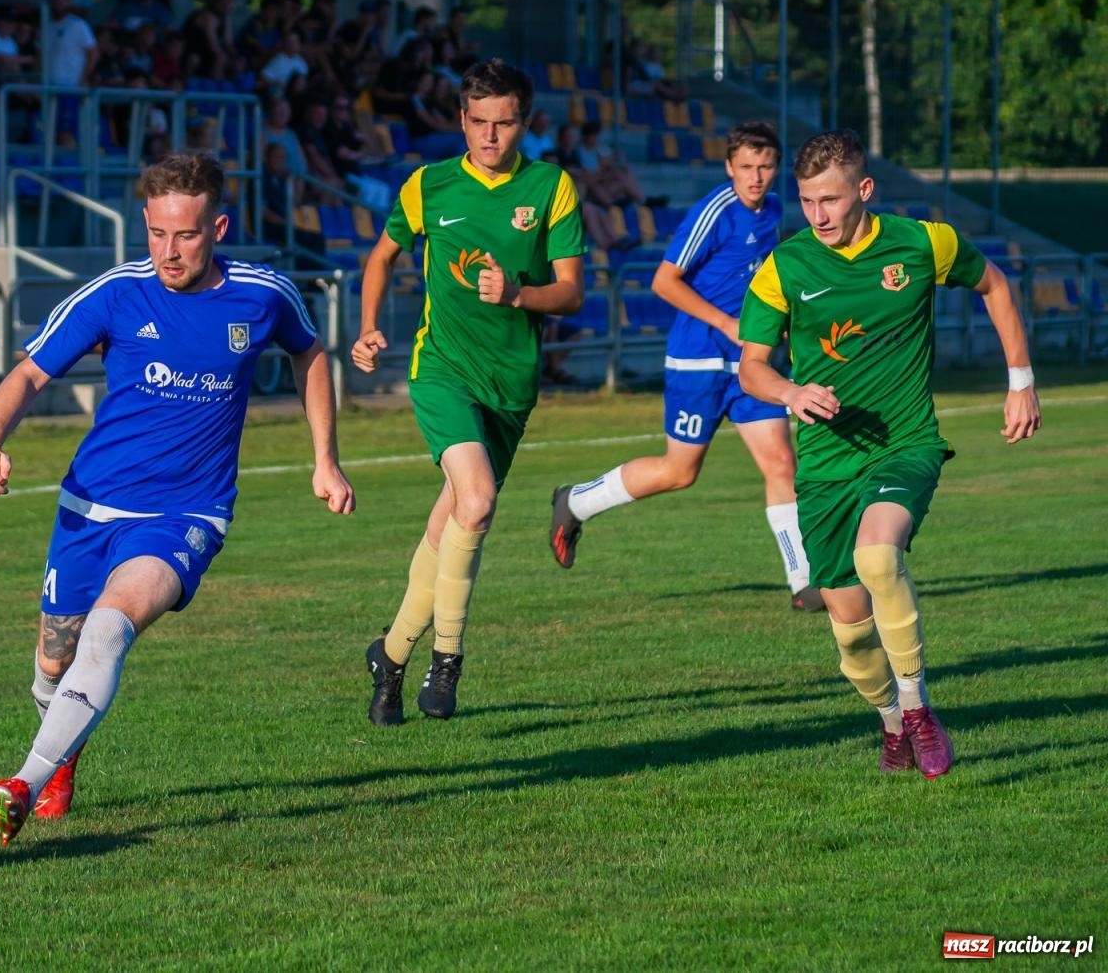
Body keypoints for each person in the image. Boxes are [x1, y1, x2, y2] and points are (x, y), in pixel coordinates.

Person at [0, 152, 355, 844]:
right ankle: (61, 753)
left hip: (188, 514)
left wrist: (324, 459)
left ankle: (22, 783)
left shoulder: (264, 294)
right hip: (90, 507)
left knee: (110, 627)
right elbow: (28, 375)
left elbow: (310, 352)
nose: (168, 251)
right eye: (156, 234)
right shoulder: (116, 293)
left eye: (185, 235)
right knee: (51, 666)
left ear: (217, 228)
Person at [737, 128, 1040, 779]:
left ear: (864, 191)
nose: (817, 215)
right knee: (849, 630)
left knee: (879, 555)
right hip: (821, 469)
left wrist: (1020, 382)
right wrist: (789, 390)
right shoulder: (785, 267)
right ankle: (890, 722)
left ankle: (919, 710)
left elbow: (994, 286)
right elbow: (752, 369)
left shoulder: (921, 243)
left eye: (831, 200)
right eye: (807, 201)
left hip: (905, 443)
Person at [352, 58, 586, 725]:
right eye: (479, 122)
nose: (490, 136)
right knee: (477, 502)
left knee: (450, 522)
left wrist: (518, 294)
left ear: (524, 122)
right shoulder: (429, 185)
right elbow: (381, 255)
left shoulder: (550, 187)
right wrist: (368, 328)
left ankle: (390, 655)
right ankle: (447, 659)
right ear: (461, 120)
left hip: (510, 386)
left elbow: (572, 292)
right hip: (442, 372)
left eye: (504, 122)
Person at [549, 122, 823, 612]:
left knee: (782, 462)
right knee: (680, 472)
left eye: (765, 167)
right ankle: (575, 501)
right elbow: (663, 281)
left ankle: (802, 581)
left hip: (748, 366)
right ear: (729, 167)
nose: (756, 177)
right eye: (746, 168)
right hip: (696, 360)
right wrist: (726, 322)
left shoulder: (777, 211)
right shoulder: (714, 212)